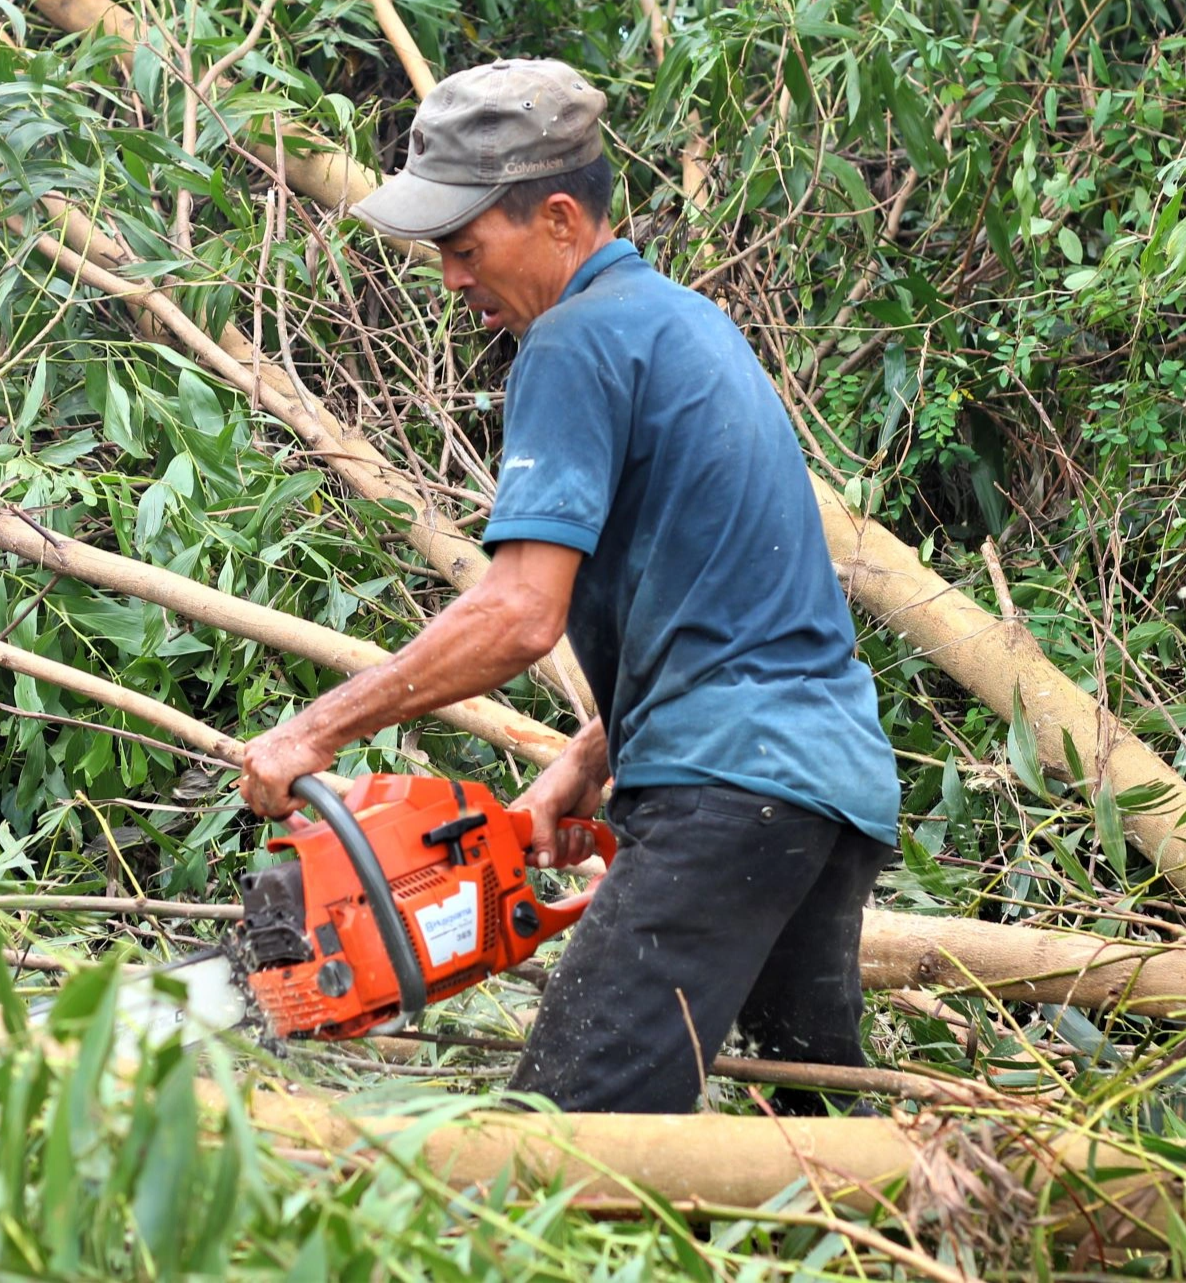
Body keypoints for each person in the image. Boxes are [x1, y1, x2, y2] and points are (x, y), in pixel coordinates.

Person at [237, 58, 902, 1115]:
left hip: (732, 791)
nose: (451, 279)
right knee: (807, 1121)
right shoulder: (687, 325)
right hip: (824, 780)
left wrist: (313, 731)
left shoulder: (573, 341)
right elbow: (732, 610)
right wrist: (587, 761)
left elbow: (515, 612)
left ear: (554, 218)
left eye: (464, 249)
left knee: (564, 1135)